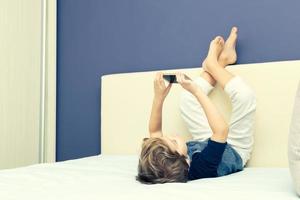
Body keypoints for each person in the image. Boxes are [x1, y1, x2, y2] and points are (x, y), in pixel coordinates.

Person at [136, 27, 257, 184]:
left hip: (206, 142)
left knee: (186, 99)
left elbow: (155, 131)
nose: (170, 136)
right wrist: (197, 92)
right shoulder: (200, 168)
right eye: (173, 142)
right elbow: (221, 131)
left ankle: (221, 61)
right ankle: (213, 65)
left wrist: (158, 97)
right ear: (184, 161)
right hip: (235, 148)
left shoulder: (165, 164)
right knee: (245, 96)